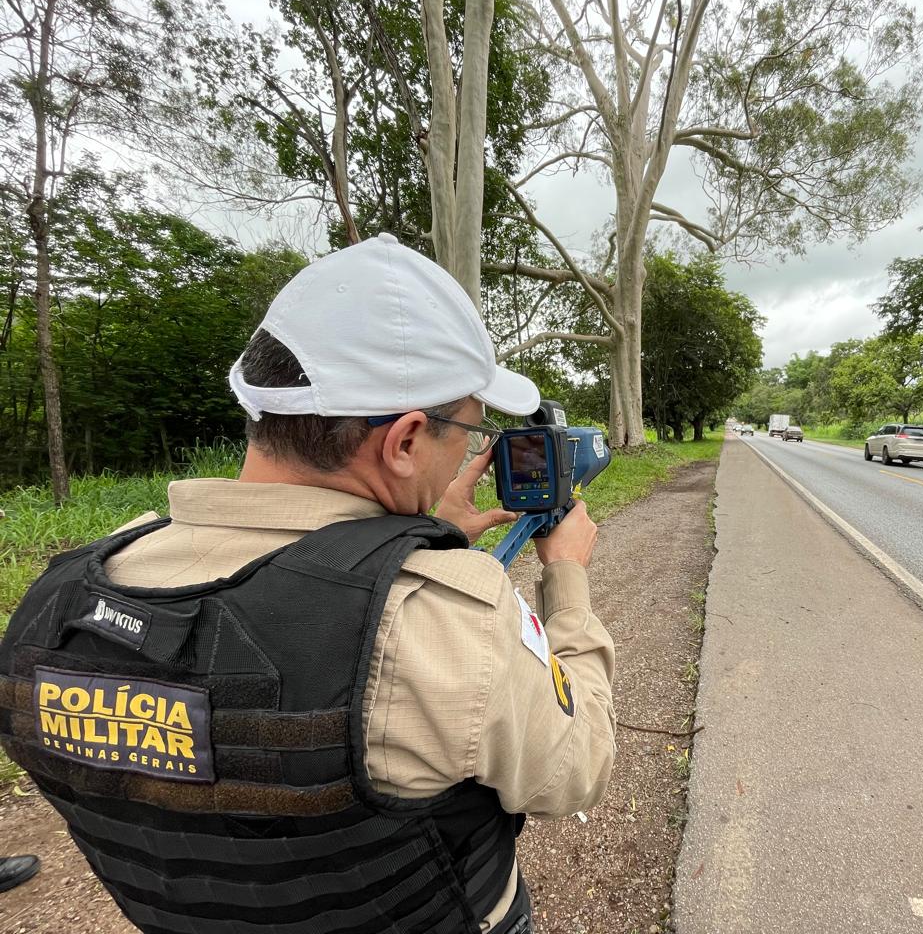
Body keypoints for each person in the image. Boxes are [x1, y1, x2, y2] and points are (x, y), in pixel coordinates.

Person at [0, 234, 616, 933]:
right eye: (467, 434)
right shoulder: (446, 616)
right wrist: (567, 577)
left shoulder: (61, 600)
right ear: (405, 441)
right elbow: (577, 767)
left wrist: (411, 535)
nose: (467, 456)